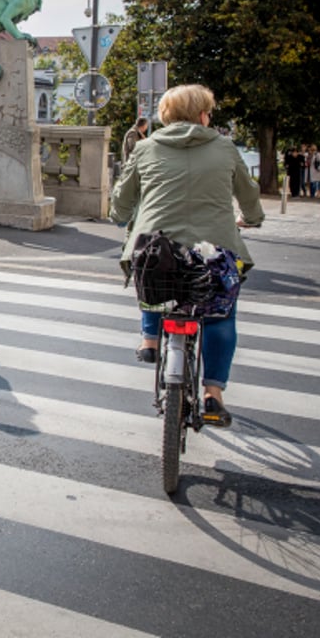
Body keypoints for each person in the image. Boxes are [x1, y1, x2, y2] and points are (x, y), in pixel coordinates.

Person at [111, 84, 263, 428]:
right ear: (203, 115)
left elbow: (122, 200)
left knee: (150, 268)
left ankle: (150, 339)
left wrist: (119, 215)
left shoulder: (147, 148)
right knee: (221, 317)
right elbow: (248, 193)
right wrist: (252, 218)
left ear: (165, 116)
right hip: (214, 251)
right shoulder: (224, 148)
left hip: (158, 248)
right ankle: (213, 394)